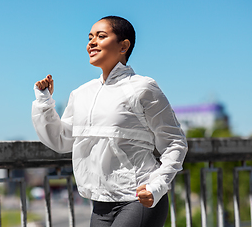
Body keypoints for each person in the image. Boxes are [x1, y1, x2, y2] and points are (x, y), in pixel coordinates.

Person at [32, 16, 188, 227]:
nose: (91, 43)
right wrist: (44, 101)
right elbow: (61, 140)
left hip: (139, 198)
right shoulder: (81, 94)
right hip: (100, 203)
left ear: (123, 46)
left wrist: (157, 186)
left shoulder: (143, 88)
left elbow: (175, 143)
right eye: (89, 37)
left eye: (101, 36)